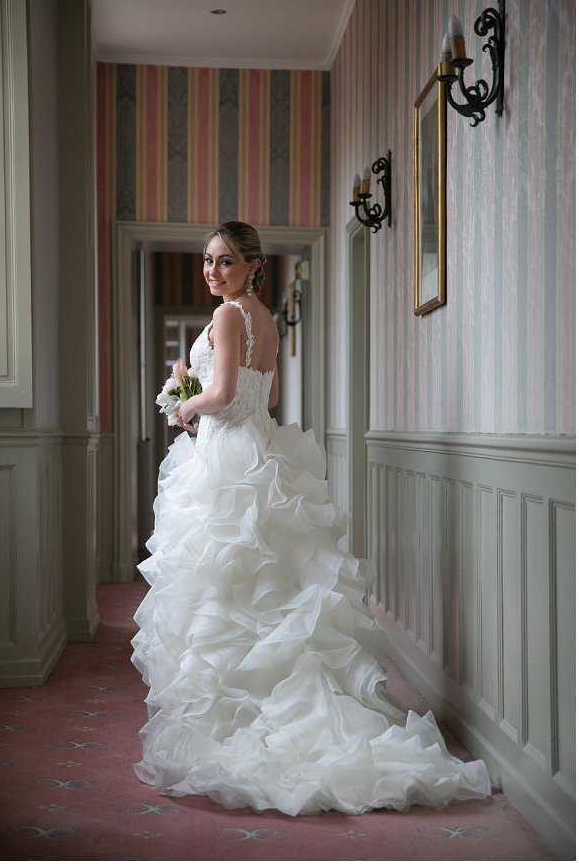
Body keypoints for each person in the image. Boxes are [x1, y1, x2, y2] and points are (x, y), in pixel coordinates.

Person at [130, 220, 492, 817]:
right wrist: (203, 397)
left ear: (251, 264)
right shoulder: (264, 318)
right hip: (260, 448)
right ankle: (280, 698)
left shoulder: (226, 317)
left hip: (228, 460)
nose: (212, 271)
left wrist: (182, 403)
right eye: (207, 260)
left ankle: (239, 716)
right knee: (268, 587)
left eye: (224, 261)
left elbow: (222, 397)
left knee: (229, 586)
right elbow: (264, 399)